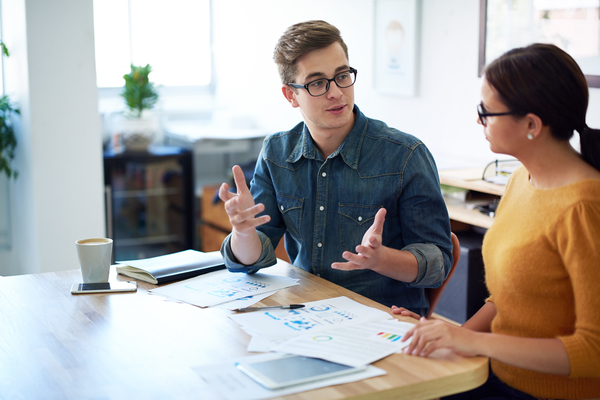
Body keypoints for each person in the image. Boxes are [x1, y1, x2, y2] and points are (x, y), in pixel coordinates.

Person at [396, 43, 600, 399]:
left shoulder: (583, 209)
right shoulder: (521, 179)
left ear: (532, 124)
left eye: (486, 111)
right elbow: (508, 298)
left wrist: (472, 340)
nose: (479, 120)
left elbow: (593, 352)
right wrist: (444, 335)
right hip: (495, 376)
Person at [218, 20, 452, 313]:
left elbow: (438, 263)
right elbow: (252, 261)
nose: (336, 93)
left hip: (380, 320)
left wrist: (381, 259)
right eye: (317, 82)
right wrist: (242, 233)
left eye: (342, 76)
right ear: (291, 95)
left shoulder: (405, 156)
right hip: (303, 312)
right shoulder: (276, 152)